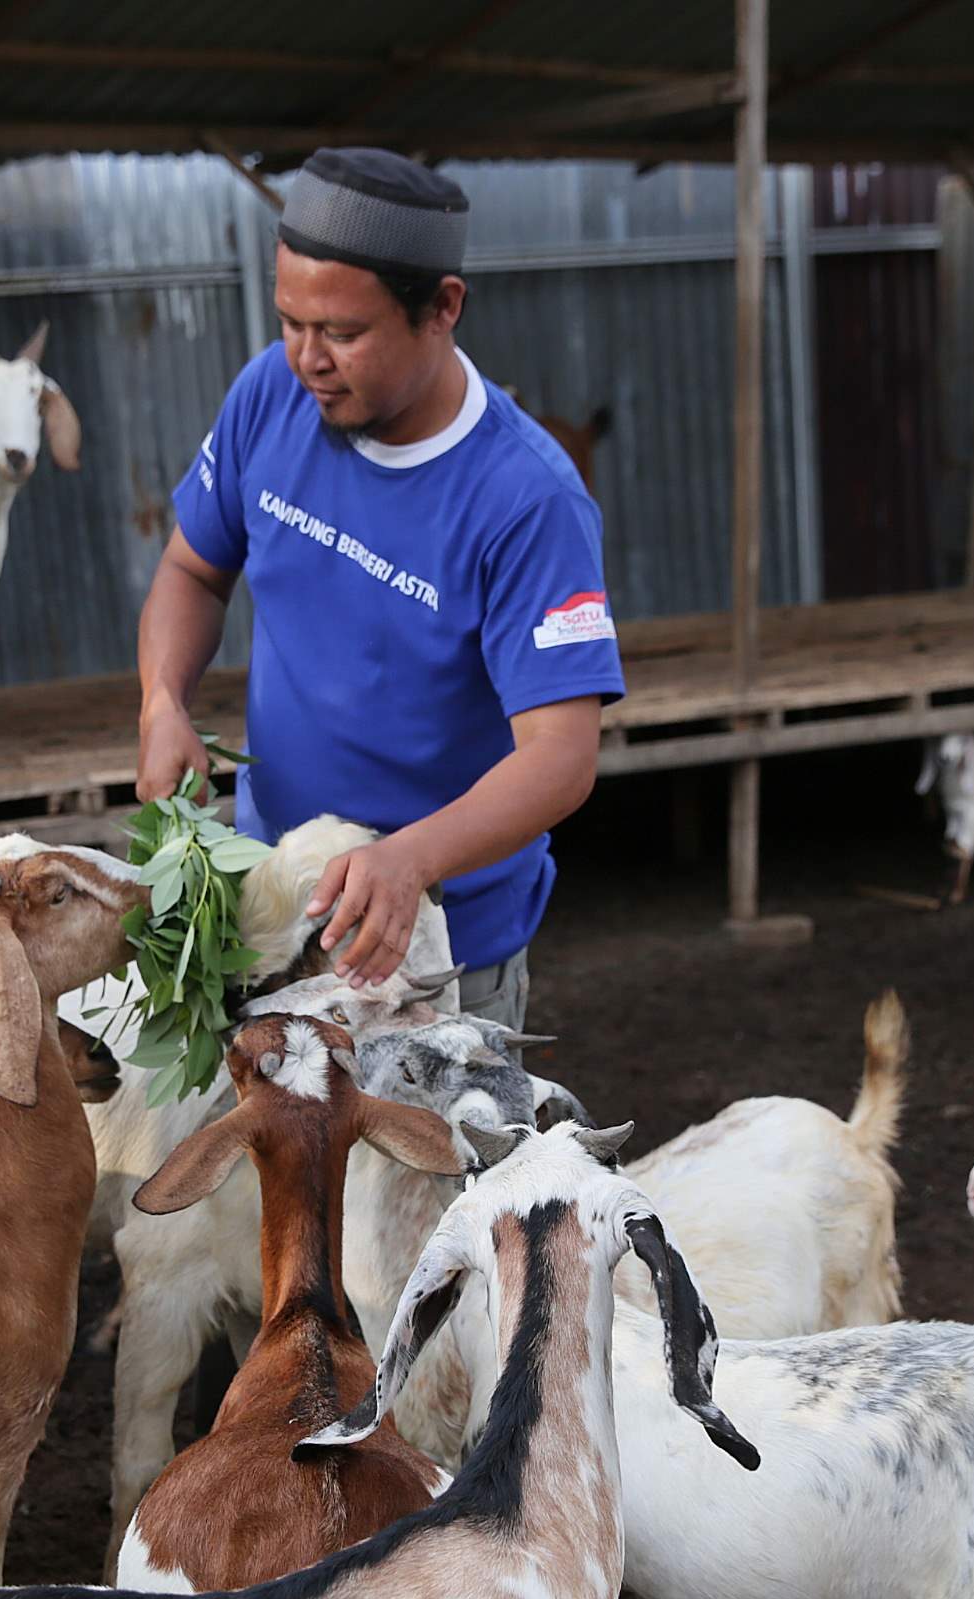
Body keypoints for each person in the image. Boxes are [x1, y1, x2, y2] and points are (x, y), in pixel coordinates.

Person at [134, 147, 622, 1030]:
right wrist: (162, 700)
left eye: (344, 334)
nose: (308, 359)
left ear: (442, 307)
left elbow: (561, 755)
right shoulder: (266, 398)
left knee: (433, 1167)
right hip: (271, 917)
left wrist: (412, 859)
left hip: (435, 957)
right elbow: (192, 569)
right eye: (290, 322)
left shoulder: (526, 499)